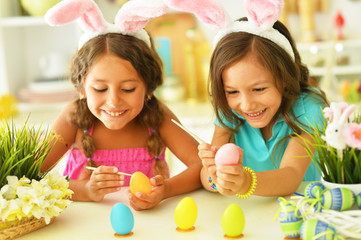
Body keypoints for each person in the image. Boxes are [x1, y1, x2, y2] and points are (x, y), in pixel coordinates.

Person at [40, 0, 202, 210]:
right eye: (100, 89)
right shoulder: (74, 117)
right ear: (82, 88)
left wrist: (165, 190)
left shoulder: (157, 115)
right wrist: (84, 190)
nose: (114, 101)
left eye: (128, 89)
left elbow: (202, 167)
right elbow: (29, 175)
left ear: (149, 88)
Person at [199, 0, 329, 198]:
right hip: (250, 219)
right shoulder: (229, 112)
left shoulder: (309, 109)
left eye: (258, 89)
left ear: (285, 77)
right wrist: (215, 175)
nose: (246, 104)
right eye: (232, 92)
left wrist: (244, 182)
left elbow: (291, 176)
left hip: (302, 211)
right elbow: (207, 180)